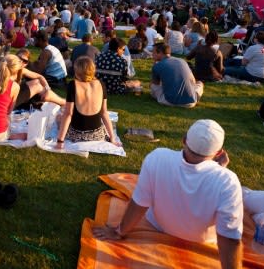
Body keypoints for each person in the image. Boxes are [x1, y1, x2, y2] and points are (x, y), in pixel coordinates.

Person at [92, 119, 243, 269]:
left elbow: (140, 202)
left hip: (160, 225)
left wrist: (119, 231)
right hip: (204, 239)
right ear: (219, 153)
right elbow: (229, 236)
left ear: (184, 140)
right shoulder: (227, 181)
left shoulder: (158, 158)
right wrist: (220, 169)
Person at [56, 56, 119, 146]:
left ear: (77, 71)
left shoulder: (72, 85)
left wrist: (60, 141)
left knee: (59, 117)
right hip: (97, 135)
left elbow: (68, 114)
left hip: (76, 135)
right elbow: (104, 113)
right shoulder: (101, 84)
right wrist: (112, 138)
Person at [150, 43, 204, 108]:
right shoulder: (182, 61)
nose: (152, 54)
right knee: (200, 84)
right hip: (191, 103)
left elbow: (155, 84)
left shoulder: (157, 66)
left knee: (152, 86)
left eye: (153, 52)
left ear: (160, 53)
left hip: (169, 101)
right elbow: (193, 81)